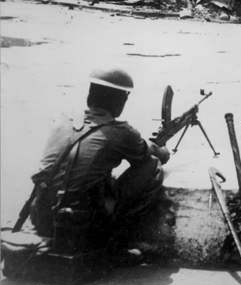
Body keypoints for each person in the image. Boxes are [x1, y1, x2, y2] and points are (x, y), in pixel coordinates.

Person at [29, 68, 169, 260]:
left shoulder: (62, 122)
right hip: (80, 224)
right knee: (152, 166)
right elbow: (155, 156)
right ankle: (117, 243)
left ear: (89, 96)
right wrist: (161, 148)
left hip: (40, 216)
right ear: (121, 102)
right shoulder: (122, 132)